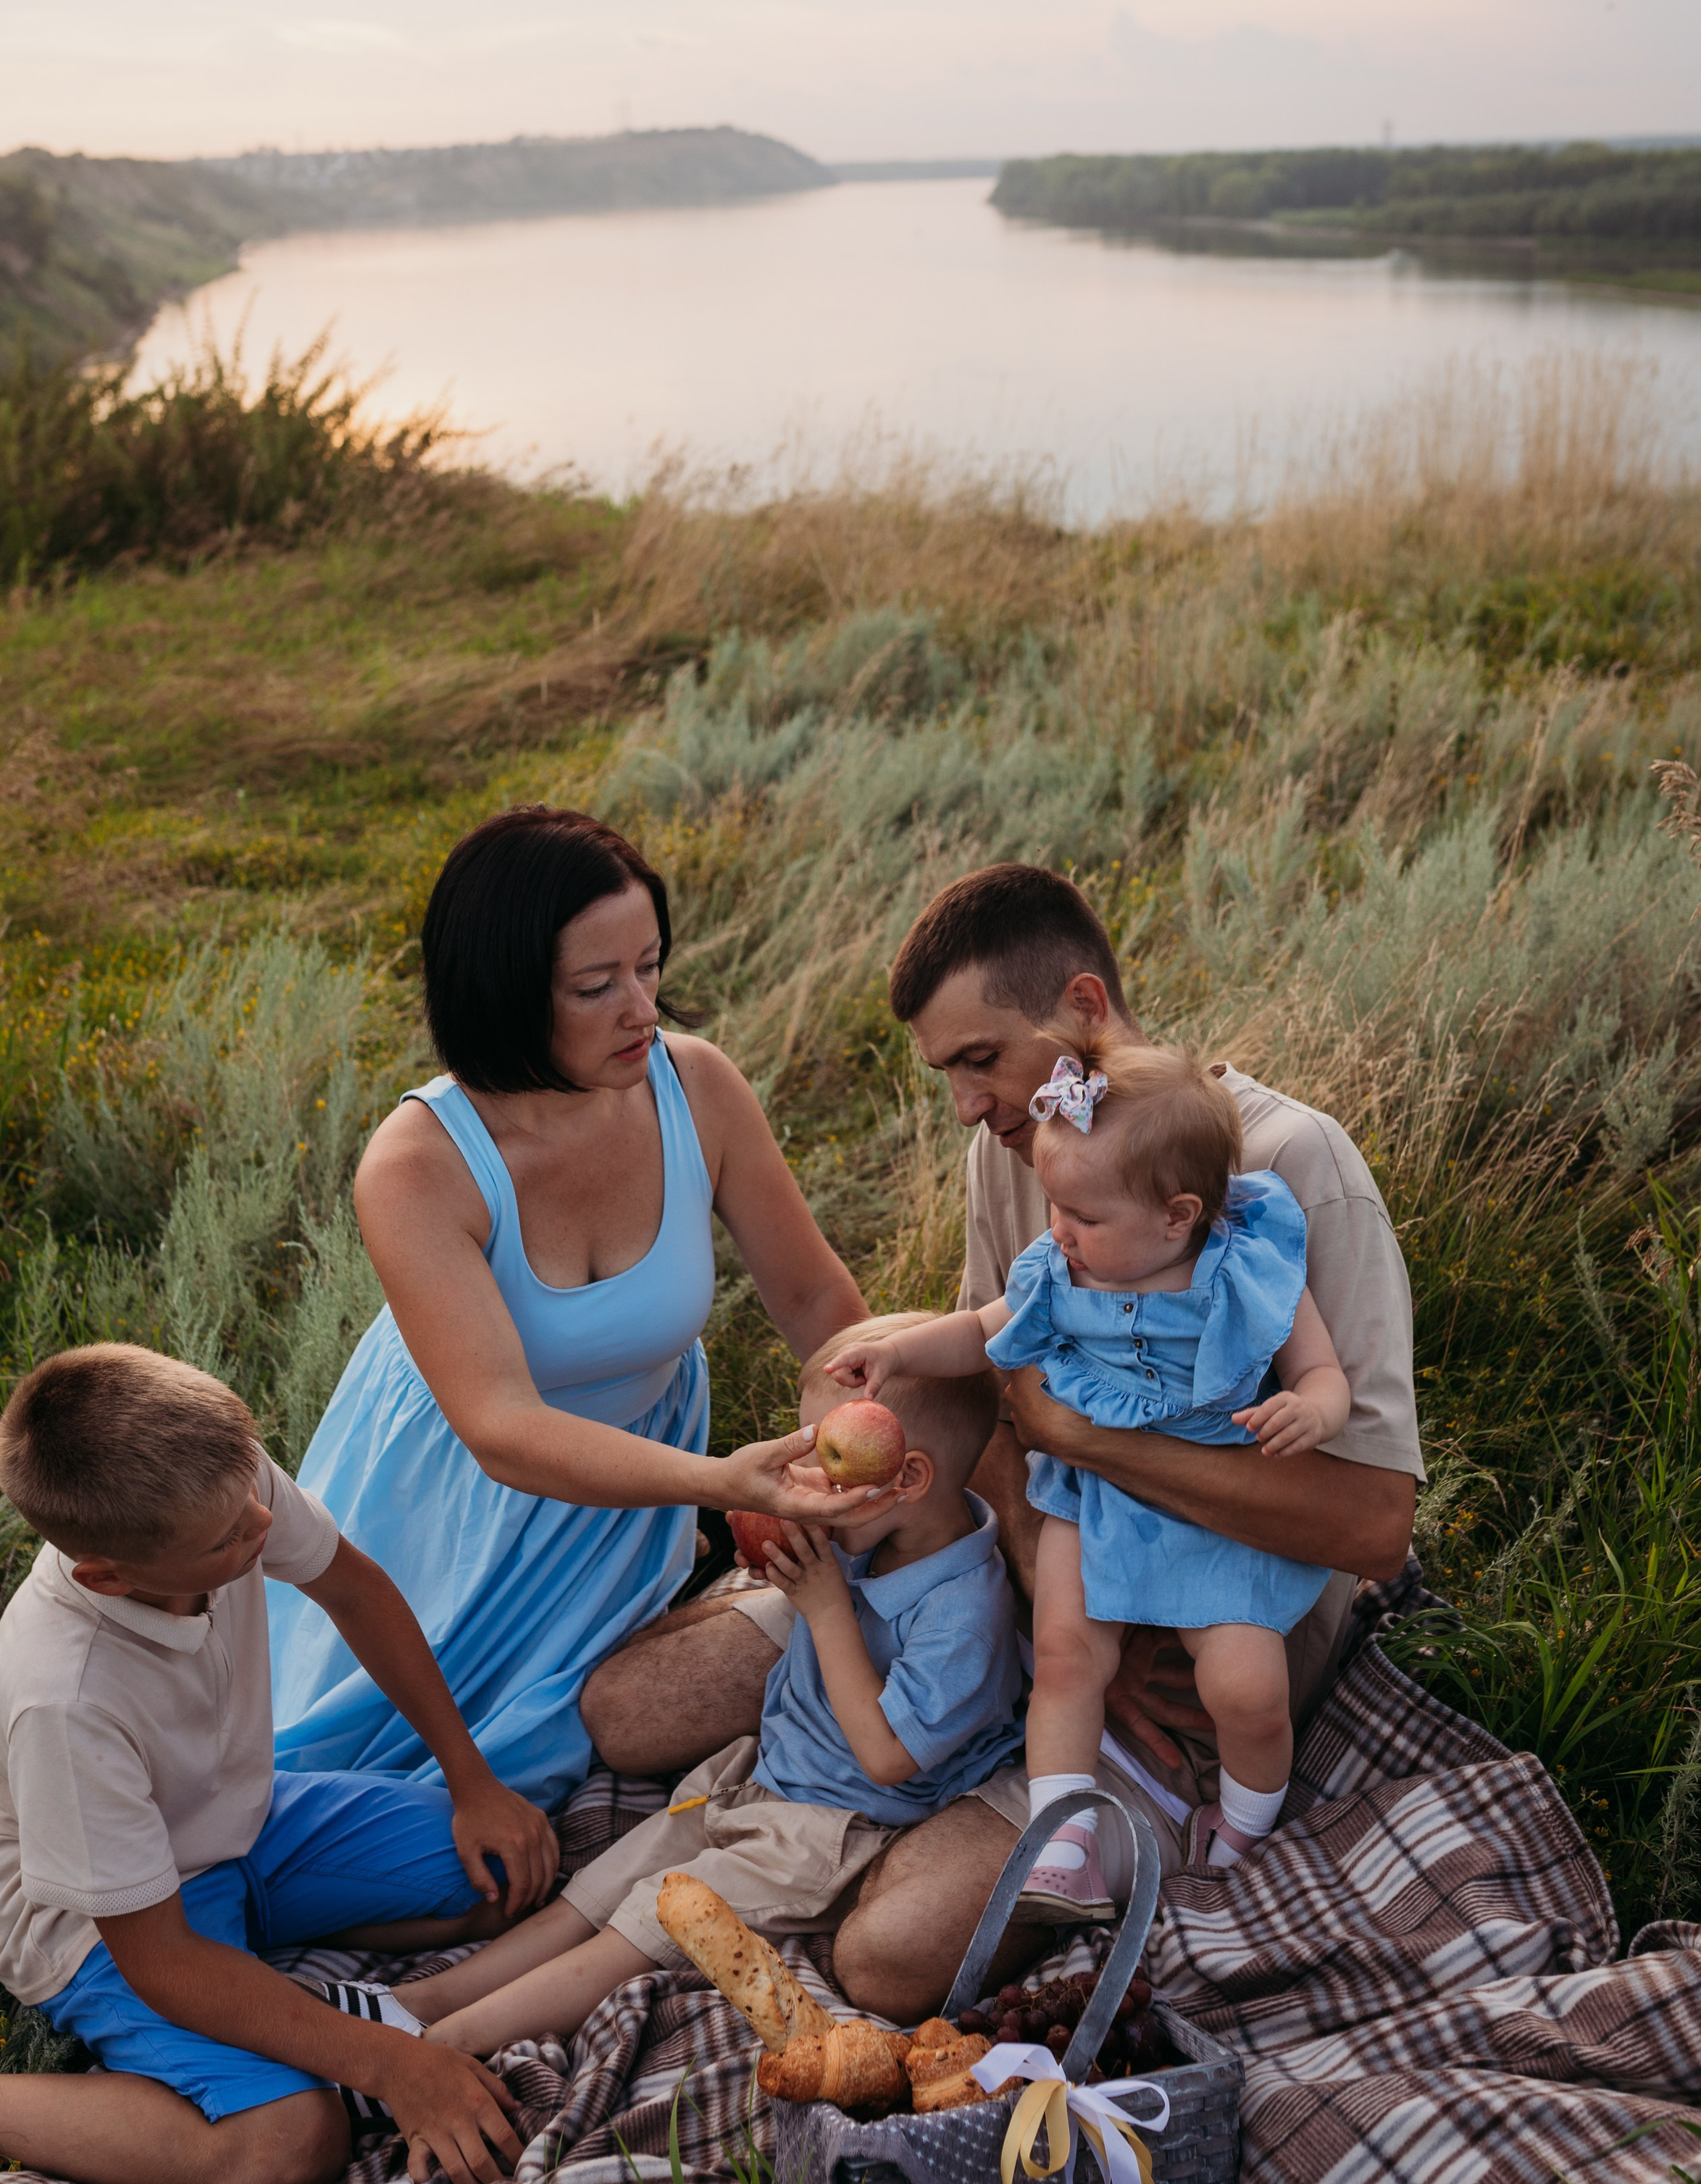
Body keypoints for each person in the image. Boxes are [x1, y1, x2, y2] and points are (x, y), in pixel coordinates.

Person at [580, 861, 1424, 2018]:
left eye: (982, 1061)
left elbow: (1375, 1525)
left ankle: (1094, 1810)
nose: (969, 1105)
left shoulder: (1286, 1169)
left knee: (883, 1961)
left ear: (1085, 1006)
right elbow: (994, 1396)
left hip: (1203, 1645)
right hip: (1051, 1592)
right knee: (627, 1716)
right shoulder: (1017, 1150)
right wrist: (1036, 1588)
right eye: (948, 1076)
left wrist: (1091, 1451)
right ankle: (926, 1716)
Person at [268, 807, 872, 1816]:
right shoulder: (420, 1164)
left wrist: (874, 1414)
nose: (643, 1009)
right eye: (597, 987)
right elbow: (501, 1430)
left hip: (620, 1499)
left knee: (557, 1761)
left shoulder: (696, 1086)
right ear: (504, 995)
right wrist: (720, 1481)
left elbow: (812, 1296)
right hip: (457, 1506)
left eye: (650, 966)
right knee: (364, 1788)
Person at [0, 1344, 538, 2184]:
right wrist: (398, 2067)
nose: (262, 1524)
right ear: (108, 1575)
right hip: (97, 1929)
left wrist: (473, 1784)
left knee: (503, 1871)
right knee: (287, 2143)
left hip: (236, 1822)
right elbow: (161, 1960)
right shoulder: (64, 1700)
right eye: (227, 1540)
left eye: (252, 1494)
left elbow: (354, 1590)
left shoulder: (217, 1485)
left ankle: (293, 2010)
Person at [373, 1323, 1020, 2057]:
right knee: (591, 1898)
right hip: (759, 1775)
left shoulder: (964, 1611)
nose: (805, 1482)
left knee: (632, 1937)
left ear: (906, 1479)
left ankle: (431, 2055)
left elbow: (887, 1757)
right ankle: (407, 2005)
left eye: (826, 1461)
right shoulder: (866, 1531)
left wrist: (826, 1609)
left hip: (828, 1828)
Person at [827, 1043, 1350, 1914]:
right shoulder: (1057, 1271)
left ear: (1178, 1216)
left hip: (1215, 1507)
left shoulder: (1247, 1272)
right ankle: (1061, 1836)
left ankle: (1245, 1831)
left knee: (1246, 1689)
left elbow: (1324, 1374)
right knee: (1069, 1659)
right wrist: (892, 1349)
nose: (1058, 1231)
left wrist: (1313, 1412)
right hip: (1099, 1498)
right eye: (1052, 1207)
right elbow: (978, 1329)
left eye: (1082, 1215)